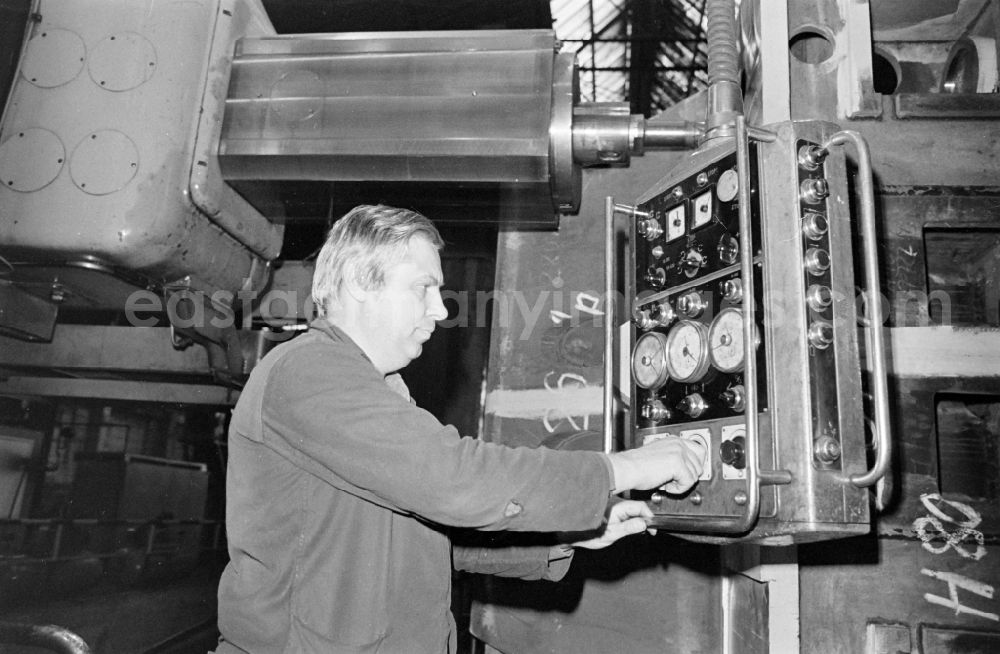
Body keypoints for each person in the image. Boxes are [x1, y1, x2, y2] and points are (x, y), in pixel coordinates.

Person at [214, 204, 705, 654]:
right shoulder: (309, 370)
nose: (441, 310)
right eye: (422, 288)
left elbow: (430, 538)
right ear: (360, 280)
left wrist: (573, 529)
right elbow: (455, 480)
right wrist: (619, 469)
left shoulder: (378, 390)